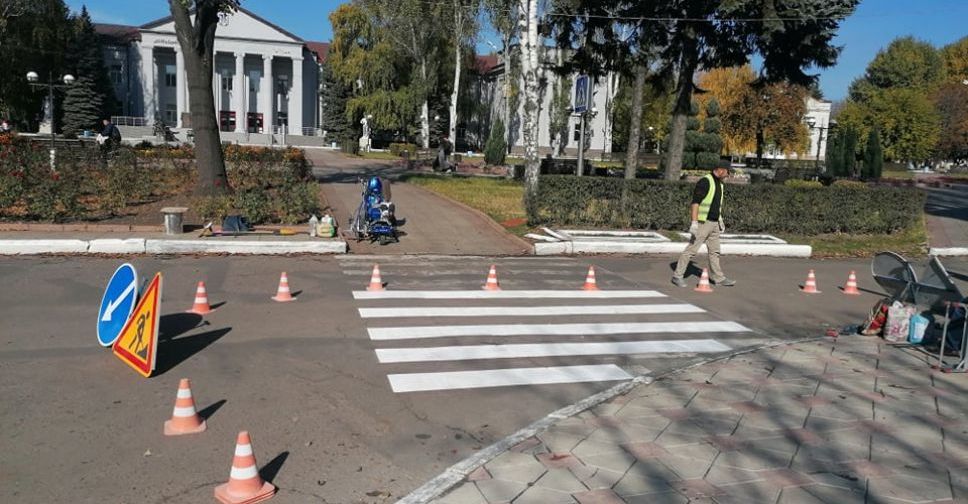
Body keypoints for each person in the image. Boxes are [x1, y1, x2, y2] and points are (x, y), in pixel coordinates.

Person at [671, 160, 736, 287]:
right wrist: (694, 223)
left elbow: (716, 205)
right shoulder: (705, 182)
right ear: (721, 170)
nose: (728, 175)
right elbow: (695, 203)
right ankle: (677, 276)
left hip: (714, 223)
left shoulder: (720, 184)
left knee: (715, 252)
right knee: (691, 250)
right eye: (728, 172)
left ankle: (719, 278)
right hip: (702, 223)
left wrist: (720, 220)